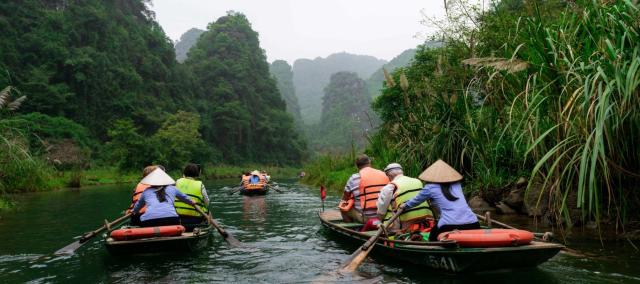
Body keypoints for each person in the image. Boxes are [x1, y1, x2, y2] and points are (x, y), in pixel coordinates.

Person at [400, 160, 479, 241]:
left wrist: (405, 205)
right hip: (474, 223)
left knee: (432, 237)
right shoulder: (457, 184)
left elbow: (416, 200)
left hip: (449, 225)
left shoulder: (430, 187)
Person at [377, 163, 433, 232]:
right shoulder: (418, 181)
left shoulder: (389, 187)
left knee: (384, 216)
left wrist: (379, 220)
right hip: (425, 219)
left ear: (389, 175)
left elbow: (381, 212)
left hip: (404, 224)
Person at [132, 168, 197, 227]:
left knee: (139, 219)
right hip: (171, 219)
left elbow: (136, 208)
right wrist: (192, 202)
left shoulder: (146, 191)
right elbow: (188, 200)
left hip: (149, 221)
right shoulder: (173, 188)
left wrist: (133, 211)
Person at [338, 154, 389, 223]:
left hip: (366, 218)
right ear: (369, 163)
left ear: (357, 166)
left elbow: (345, 198)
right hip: (385, 216)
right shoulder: (384, 174)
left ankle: (351, 228)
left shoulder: (354, 178)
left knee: (342, 205)